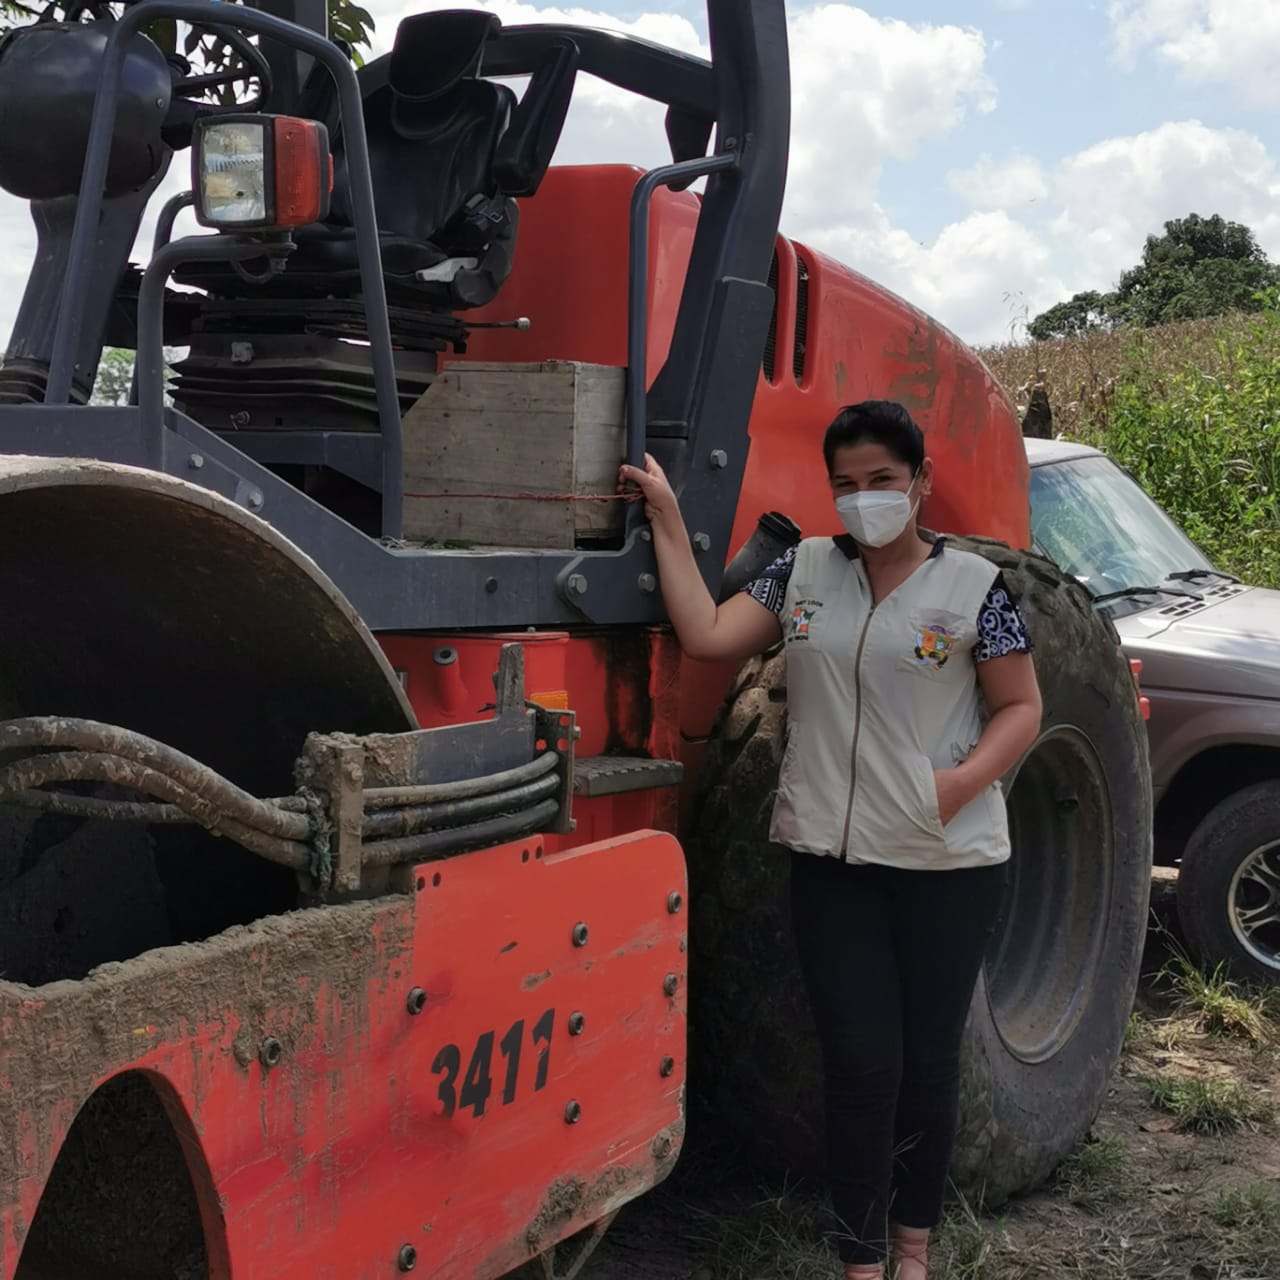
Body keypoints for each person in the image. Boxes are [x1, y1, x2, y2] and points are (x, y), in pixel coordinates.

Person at [618, 400, 1042, 1280]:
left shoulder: (976, 589)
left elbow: (1021, 707)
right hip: (831, 863)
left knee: (927, 1065)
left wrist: (957, 786)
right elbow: (705, 634)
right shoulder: (803, 570)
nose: (863, 499)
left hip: (945, 865)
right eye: (845, 484)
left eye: (882, 479)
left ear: (920, 481)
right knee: (858, 1066)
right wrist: (666, 519)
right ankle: (859, 1261)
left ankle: (913, 1251)